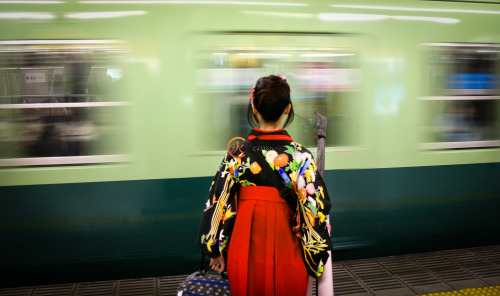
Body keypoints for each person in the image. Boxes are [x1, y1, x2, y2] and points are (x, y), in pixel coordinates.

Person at [197, 74, 332, 296]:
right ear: (288, 109)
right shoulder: (300, 156)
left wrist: (214, 249)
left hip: (244, 245)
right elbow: (314, 208)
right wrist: (316, 252)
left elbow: (217, 200)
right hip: (289, 246)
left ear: (254, 109)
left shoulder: (237, 154)